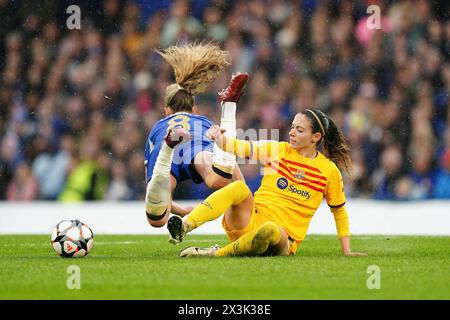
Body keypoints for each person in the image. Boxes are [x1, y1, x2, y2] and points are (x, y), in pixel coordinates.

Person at [168, 108, 367, 257]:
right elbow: (240, 147)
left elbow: (339, 210)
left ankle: (213, 254)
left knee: (271, 229)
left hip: (282, 239)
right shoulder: (278, 150)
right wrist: (220, 139)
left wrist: (346, 250)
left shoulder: (329, 171)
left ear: (316, 137)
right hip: (250, 219)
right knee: (238, 187)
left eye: (299, 130)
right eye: (292, 128)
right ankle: (184, 226)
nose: (291, 133)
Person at [144, 42, 249, 228]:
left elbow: (152, 188)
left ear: (167, 110)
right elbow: (234, 176)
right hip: (196, 143)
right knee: (217, 178)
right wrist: (246, 197)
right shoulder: (202, 121)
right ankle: (229, 108)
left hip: (166, 145)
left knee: (157, 218)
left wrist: (182, 211)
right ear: (194, 108)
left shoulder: (157, 128)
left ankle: (168, 147)